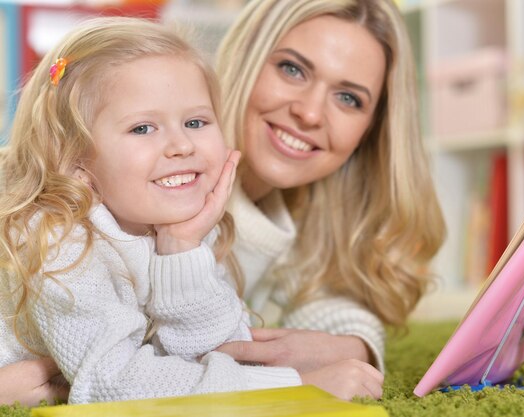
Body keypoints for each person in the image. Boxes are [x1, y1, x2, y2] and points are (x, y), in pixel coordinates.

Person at [0, 16, 383, 405]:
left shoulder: (186, 225)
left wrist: (181, 248)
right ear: (76, 164)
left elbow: (224, 355)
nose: (182, 145)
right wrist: (294, 388)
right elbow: (112, 382)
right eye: (143, 129)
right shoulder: (57, 237)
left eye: (196, 121)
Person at [213, 0, 445, 375]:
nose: (310, 113)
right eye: (292, 69)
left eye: (348, 98)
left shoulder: (289, 206)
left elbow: (320, 298)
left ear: (368, 131)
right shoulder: (152, 189)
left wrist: (356, 348)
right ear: (246, 60)